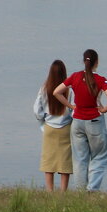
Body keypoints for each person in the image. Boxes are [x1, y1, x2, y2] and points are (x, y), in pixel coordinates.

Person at [53, 48, 107, 191]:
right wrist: (104, 109)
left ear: (83, 61)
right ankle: (92, 189)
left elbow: (56, 92)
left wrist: (71, 106)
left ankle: (81, 191)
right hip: (95, 121)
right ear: (97, 62)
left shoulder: (75, 77)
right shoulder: (100, 80)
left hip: (77, 122)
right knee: (100, 156)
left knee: (80, 159)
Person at [33, 59, 73, 191]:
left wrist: (42, 121)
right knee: (65, 163)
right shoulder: (69, 89)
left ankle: (49, 191)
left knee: (49, 162)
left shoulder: (45, 88)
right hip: (66, 128)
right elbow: (74, 109)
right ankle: (63, 192)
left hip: (49, 128)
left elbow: (37, 110)